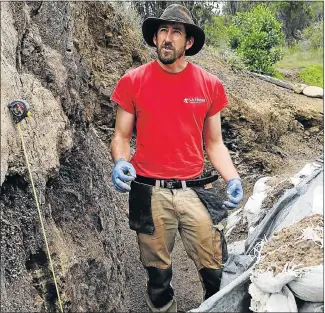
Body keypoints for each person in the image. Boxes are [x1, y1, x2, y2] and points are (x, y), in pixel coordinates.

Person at [110, 4, 243, 312]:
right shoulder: (133, 80)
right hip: (148, 190)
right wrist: (120, 160)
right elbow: (120, 136)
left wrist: (232, 177)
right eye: (162, 31)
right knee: (157, 276)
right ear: (155, 38)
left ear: (189, 42)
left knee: (216, 270)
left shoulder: (210, 85)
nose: (167, 39)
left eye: (175, 32)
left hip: (195, 190)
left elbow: (215, 144)